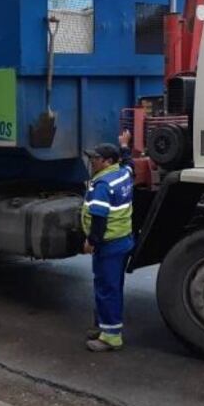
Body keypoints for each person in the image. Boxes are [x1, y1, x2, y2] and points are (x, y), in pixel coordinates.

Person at [81, 131, 134, 353]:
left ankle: (111, 337)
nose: (92, 162)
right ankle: (104, 326)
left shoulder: (102, 185)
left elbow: (100, 219)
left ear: (107, 162)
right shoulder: (123, 174)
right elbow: (129, 163)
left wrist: (91, 241)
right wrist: (125, 146)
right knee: (113, 287)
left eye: (95, 159)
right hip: (123, 242)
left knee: (106, 289)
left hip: (108, 244)